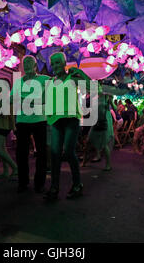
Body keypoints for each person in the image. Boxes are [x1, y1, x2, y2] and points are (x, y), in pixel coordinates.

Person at [44, 52, 91, 200]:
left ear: (65, 63)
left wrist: (80, 72)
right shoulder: (51, 82)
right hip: (55, 120)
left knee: (68, 152)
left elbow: (94, 88)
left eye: (58, 62)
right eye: (53, 64)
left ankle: (77, 185)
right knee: (55, 154)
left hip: (71, 119)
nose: (55, 66)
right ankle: (54, 188)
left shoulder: (73, 78)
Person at [10, 55, 50, 193]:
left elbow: (49, 96)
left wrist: (25, 99)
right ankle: (23, 182)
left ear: (35, 65)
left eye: (29, 63)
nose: (26, 65)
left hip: (40, 120)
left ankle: (39, 183)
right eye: (24, 63)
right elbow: (11, 99)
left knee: (41, 153)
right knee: (21, 153)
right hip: (22, 121)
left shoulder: (44, 79)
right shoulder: (18, 82)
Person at [83, 83, 116, 171]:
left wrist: (111, 101)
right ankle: (84, 162)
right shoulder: (94, 98)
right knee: (88, 141)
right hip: (95, 122)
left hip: (103, 123)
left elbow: (114, 109)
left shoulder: (106, 97)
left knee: (104, 144)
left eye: (98, 87)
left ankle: (108, 165)